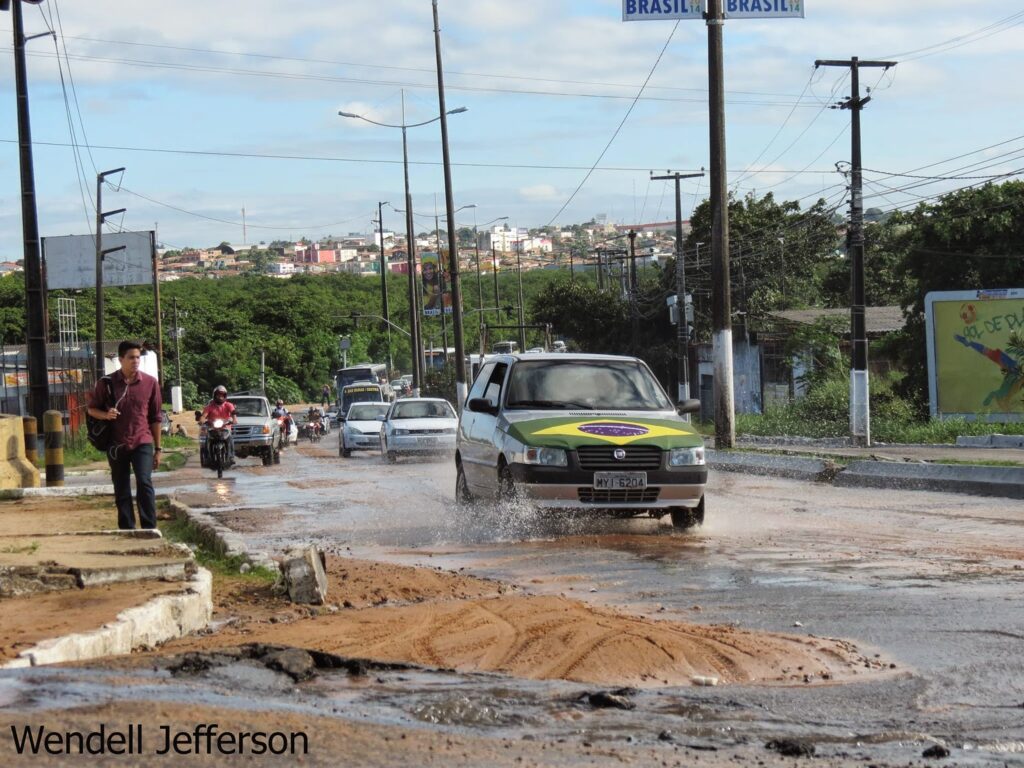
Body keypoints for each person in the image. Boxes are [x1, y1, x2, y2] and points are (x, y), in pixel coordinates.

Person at [86, 340, 162, 530]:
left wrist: (158, 448)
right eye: (131, 358)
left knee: (144, 482)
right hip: (116, 444)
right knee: (121, 487)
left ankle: (149, 527)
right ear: (121, 360)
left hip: (142, 441)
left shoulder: (151, 383)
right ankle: (127, 529)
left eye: (138, 357)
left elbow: (155, 417)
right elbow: (91, 409)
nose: (135, 361)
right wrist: (106, 414)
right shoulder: (107, 383)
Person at [200, 385, 237, 463]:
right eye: (218, 395)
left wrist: (234, 419)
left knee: (230, 439)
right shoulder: (209, 406)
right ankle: (207, 457)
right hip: (212, 428)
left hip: (225, 428)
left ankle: (231, 456)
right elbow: (203, 416)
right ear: (214, 395)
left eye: (222, 395)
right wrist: (201, 420)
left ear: (225, 396)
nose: (220, 397)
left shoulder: (228, 405)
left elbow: (233, 413)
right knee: (207, 440)